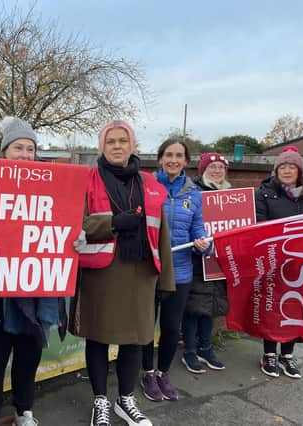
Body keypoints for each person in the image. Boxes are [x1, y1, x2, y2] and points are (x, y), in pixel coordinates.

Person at [0, 117, 65, 426]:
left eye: (30, 149)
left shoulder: (50, 184)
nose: (24, 154)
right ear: (4, 151)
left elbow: (62, 224)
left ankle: (24, 410)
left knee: (29, 356)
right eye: (17, 147)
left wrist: (75, 238)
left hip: (36, 288)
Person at [69, 120, 175, 426]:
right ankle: (100, 401)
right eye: (111, 141)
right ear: (101, 146)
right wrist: (114, 223)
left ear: (133, 146)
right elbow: (75, 224)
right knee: (99, 340)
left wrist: (165, 279)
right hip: (101, 273)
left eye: (122, 140)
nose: (117, 146)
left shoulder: (150, 185)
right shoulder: (85, 181)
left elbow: (162, 234)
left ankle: (125, 400)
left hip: (141, 273)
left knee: (135, 339)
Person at [140, 139, 210, 402]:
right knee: (146, 327)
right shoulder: (147, 186)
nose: (173, 160)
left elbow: (198, 229)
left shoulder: (194, 193)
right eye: (168, 155)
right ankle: (147, 372)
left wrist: (203, 244)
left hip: (179, 273)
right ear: (160, 158)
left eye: (179, 155)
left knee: (170, 328)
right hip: (149, 271)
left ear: (185, 160)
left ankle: (162, 372)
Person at [254, 145, 303, 379]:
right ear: (276, 170)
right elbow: (259, 225)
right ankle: (269, 353)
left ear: (299, 170)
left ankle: (287, 353)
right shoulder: (265, 194)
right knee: (273, 307)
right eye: (282, 166)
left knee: (296, 306)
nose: (286, 170)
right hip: (275, 260)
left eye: (291, 166)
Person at [180, 152, 231, 374]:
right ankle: (190, 351)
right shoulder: (193, 192)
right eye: (212, 168)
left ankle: (206, 348)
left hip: (219, 260)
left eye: (221, 167)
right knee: (192, 308)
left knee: (210, 307)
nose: (217, 171)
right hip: (196, 258)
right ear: (203, 170)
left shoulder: (231, 194)